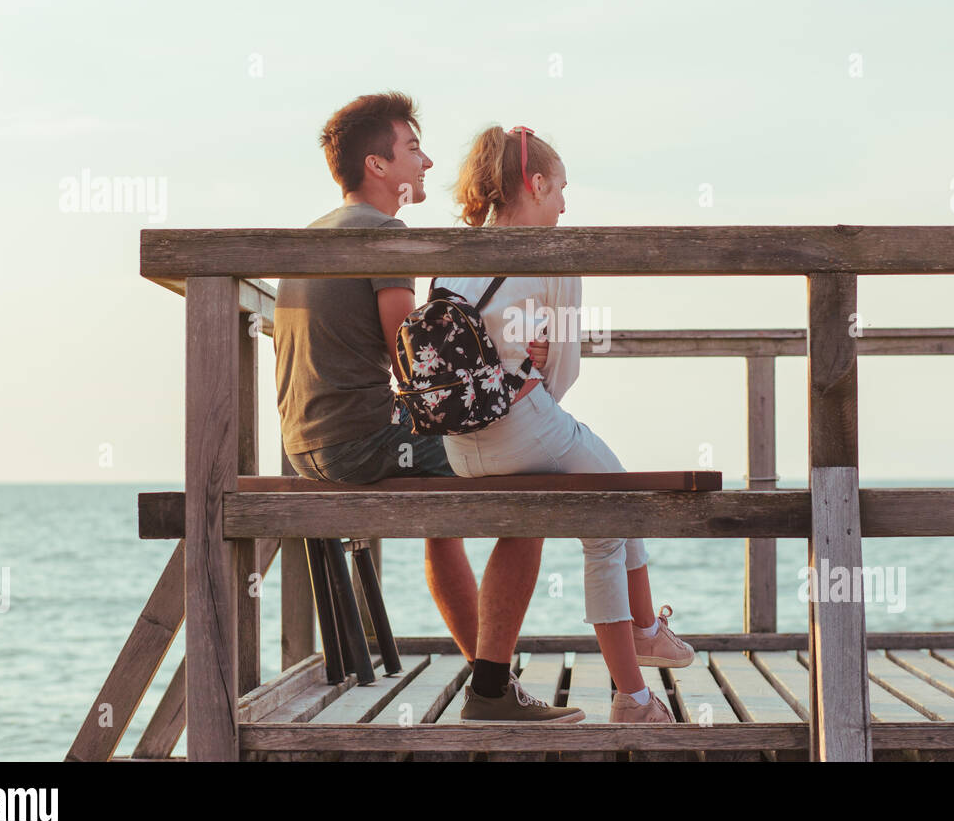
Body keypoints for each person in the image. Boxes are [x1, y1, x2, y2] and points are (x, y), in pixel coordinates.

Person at [273, 93, 582, 723]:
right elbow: (416, 368)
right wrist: (513, 377)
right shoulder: (385, 236)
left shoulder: (314, 233)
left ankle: (489, 677)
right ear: (377, 165)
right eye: (412, 149)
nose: (428, 161)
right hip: (358, 441)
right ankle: (493, 688)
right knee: (522, 473)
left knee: (460, 492)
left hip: (303, 440)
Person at [436, 125, 695, 723]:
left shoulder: (455, 256)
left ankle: (647, 634)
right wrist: (538, 368)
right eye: (560, 191)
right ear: (536, 182)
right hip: (519, 427)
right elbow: (563, 377)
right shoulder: (551, 255)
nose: (564, 205)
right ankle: (634, 684)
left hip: (458, 444)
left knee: (613, 490)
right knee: (611, 514)